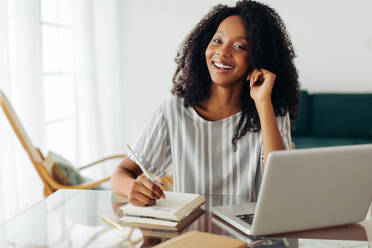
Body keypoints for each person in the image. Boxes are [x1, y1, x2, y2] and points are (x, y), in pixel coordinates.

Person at [112, 0, 300, 207]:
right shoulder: (173, 112)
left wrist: (263, 102)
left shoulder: (270, 112)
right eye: (217, 41)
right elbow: (122, 173)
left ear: (258, 58)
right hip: (191, 234)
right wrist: (134, 188)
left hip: (250, 236)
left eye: (239, 46)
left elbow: (283, 186)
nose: (222, 52)